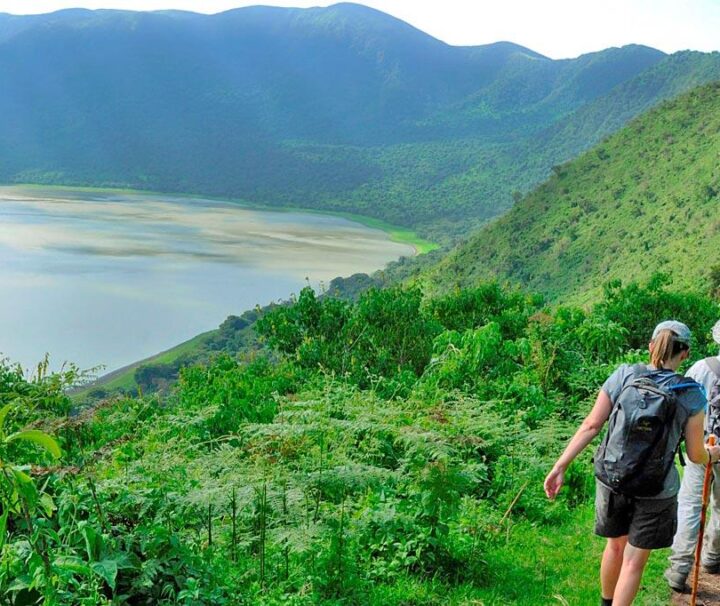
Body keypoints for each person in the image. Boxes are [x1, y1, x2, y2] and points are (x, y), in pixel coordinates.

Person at [544, 320, 720, 606]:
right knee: (633, 563)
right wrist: (717, 452)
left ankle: (605, 602)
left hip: (613, 479)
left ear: (651, 346)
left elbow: (591, 425)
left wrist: (560, 465)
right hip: (657, 488)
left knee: (614, 548)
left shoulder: (625, 374)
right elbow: (697, 455)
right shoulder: (691, 393)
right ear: (685, 354)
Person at [665, 320, 720, 592]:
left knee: (689, 504)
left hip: (700, 447)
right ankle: (711, 557)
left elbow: (679, 402)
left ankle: (679, 568)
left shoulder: (701, 368)